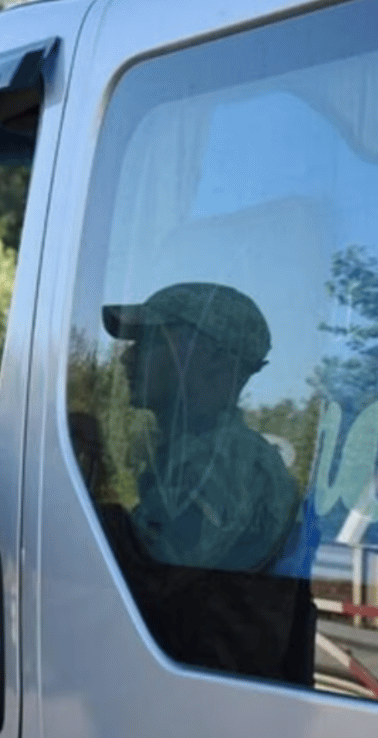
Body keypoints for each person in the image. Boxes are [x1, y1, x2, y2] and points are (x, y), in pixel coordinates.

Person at [92, 281, 317, 683]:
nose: (127, 358)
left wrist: (91, 480)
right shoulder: (195, 457)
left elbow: (138, 582)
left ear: (213, 359)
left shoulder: (228, 464)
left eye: (150, 340)